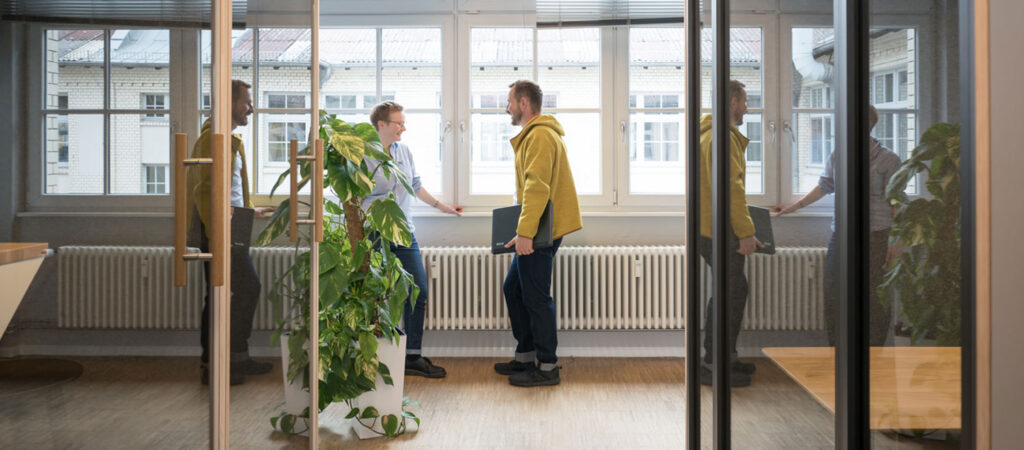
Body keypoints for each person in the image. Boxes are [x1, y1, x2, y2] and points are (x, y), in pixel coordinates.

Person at [772, 105, 902, 347]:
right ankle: (838, 352)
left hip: (877, 236)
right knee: (833, 291)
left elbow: (896, 201)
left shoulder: (889, 159)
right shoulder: (839, 154)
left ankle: (875, 355)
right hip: (842, 236)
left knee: (874, 297)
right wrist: (794, 206)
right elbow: (825, 185)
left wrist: (898, 241)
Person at [495, 80, 583, 387]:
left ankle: (547, 367)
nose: (506, 107)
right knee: (514, 289)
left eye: (509, 102)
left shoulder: (541, 136)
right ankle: (525, 356)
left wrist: (526, 234)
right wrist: (521, 230)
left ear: (523, 103)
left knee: (536, 298)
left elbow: (537, 187)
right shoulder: (536, 135)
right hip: (535, 227)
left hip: (540, 231)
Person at [366, 101, 462, 378]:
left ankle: (412, 357)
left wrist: (443, 207)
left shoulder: (403, 150)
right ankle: (374, 358)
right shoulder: (362, 153)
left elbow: (415, 185)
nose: (403, 128)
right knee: (375, 296)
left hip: (403, 231)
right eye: (399, 123)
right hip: (374, 233)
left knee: (417, 290)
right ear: (381, 124)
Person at [188, 80, 275, 385]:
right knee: (227, 294)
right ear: (230, 104)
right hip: (220, 232)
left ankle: (235, 359)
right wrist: (219, 231)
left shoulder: (227, 139)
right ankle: (214, 366)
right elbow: (204, 191)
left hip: (231, 227)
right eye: (246, 102)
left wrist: (250, 210)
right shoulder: (211, 140)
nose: (250, 107)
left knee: (230, 294)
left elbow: (229, 190)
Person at [698, 80, 762, 388]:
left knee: (732, 291)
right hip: (720, 230)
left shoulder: (710, 135)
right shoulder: (723, 138)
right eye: (745, 101)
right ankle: (713, 363)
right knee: (729, 294)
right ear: (733, 102)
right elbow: (732, 189)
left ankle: (726, 357)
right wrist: (746, 233)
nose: (747, 107)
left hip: (711, 228)